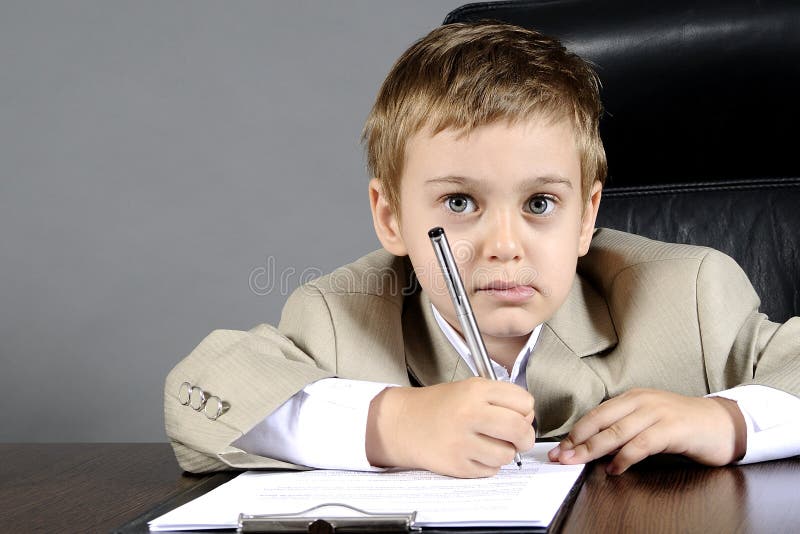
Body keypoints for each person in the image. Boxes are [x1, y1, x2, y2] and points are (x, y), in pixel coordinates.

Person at [165, 22, 800, 478]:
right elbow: (197, 395)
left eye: (541, 205)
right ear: (391, 218)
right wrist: (392, 424)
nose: (503, 246)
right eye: (461, 203)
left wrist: (731, 423)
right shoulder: (341, 315)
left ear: (588, 217)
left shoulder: (685, 296)